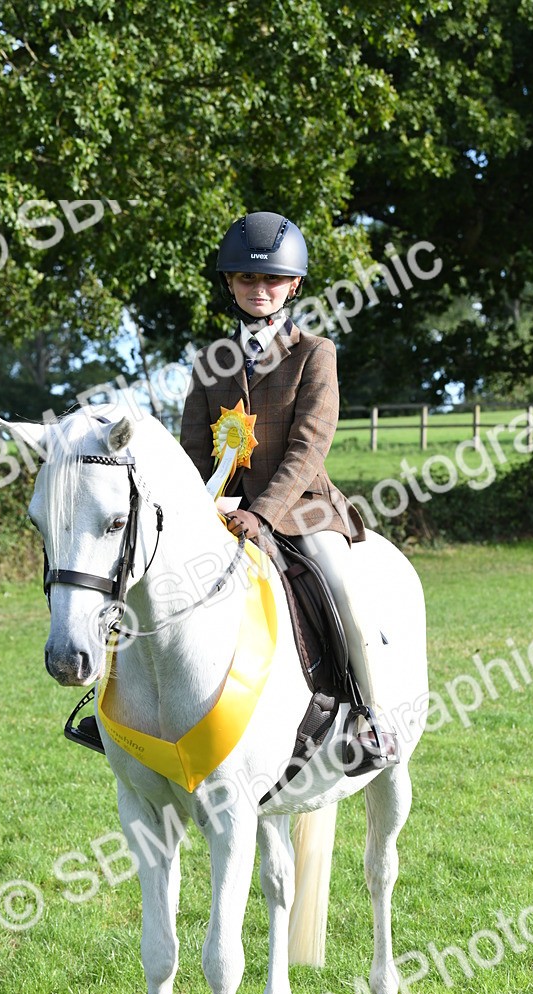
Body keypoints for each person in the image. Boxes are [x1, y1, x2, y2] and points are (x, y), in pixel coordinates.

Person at [180, 210, 395, 769]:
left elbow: (309, 446)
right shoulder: (209, 364)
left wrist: (265, 512)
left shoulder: (315, 354)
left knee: (341, 588)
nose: (260, 289)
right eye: (248, 279)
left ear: (293, 285)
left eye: (272, 279)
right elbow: (193, 455)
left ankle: (369, 717)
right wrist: (204, 506)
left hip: (303, 510)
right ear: (230, 284)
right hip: (225, 513)